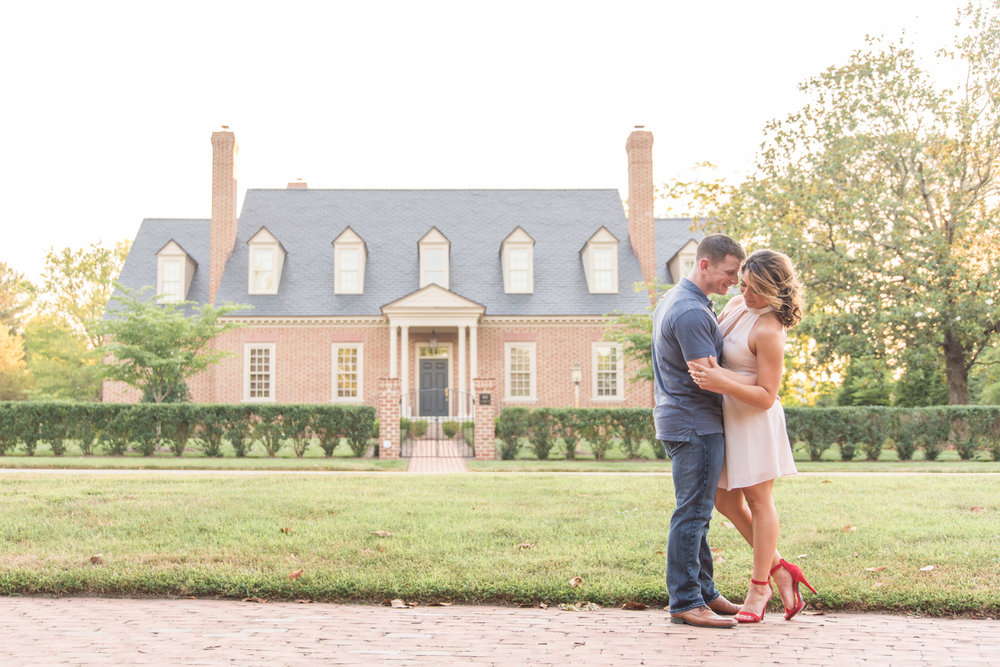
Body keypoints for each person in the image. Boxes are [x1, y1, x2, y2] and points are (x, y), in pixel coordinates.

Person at [688, 249, 816, 623]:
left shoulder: (770, 330)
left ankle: (760, 587)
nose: (745, 294)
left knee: (759, 502)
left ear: (775, 292)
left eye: (756, 290)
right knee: (724, 501)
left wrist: (721, 381)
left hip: (755, 421)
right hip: (728, 417)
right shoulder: (736, 304)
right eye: (743, 283)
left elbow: (767, 395)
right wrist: (719, 379)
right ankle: (781, 570)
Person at [652, 233, 746, 629]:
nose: (735, 282)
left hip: (682, 419)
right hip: (695, 422)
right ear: (704, 265)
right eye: (730, 273)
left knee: (698, 513)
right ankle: (686, 601)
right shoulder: (690, 311)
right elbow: (707, 377)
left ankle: (705, 591)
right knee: (692, 514)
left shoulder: (679, 299)